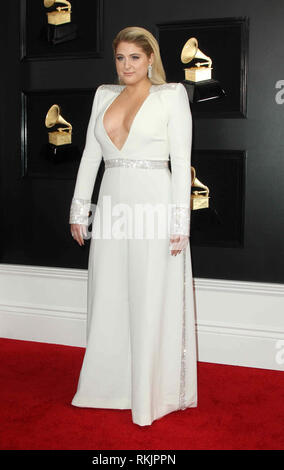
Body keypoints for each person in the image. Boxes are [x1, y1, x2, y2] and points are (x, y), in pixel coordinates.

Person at [69, 26, 198, 427]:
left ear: (151, 59)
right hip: (110, 206)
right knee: (108, 291)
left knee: (148, 294)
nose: (126, 65)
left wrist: (181, 221)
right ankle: (106, 387)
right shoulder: (103, 95)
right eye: (121, 58)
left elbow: (181, 160)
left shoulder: (171, 95)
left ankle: (150, 393)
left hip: (154, 206)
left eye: (135, 58)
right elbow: (91, 154)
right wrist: (79, 210)